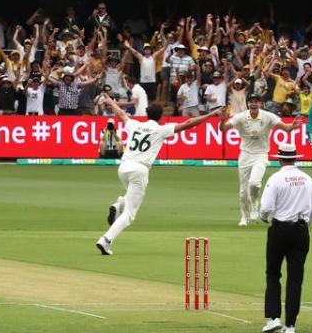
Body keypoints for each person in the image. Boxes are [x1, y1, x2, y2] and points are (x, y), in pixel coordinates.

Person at [95, 97, 222, 255]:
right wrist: (210, 115)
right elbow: (188, 123)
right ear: (160, 116)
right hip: (139, 170)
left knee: (129, 197)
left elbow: (121, 114)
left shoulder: (136, 125)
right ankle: (106, 240)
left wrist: (110, 102)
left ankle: (119, 203)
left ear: (147, 115)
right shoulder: (160, 129)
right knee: (129, 215)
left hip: (123, 167)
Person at [259, 143, 312, 333]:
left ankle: (274, 318)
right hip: (301, 230)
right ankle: (290, 325)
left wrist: (264, 217)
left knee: (273, 273)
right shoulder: (307, 179)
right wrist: (305, 228)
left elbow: (266, 207)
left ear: (279, 159)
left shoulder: (276, 178)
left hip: (280, 229)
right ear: (296, 158)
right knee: (295, 278)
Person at [220, 95, 303, 226]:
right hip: (245, 154)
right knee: (243, 191)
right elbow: (224, 129)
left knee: (254, 183)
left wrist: (293, 126)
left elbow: (286, 128)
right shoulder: (241, 116)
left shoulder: (267, 116)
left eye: (256, 102)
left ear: (261, 104)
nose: (253, 104)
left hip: (261, 154)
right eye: (251, 102)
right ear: (248, 104)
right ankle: (244, 217)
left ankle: (254, 205)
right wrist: (222, 121)